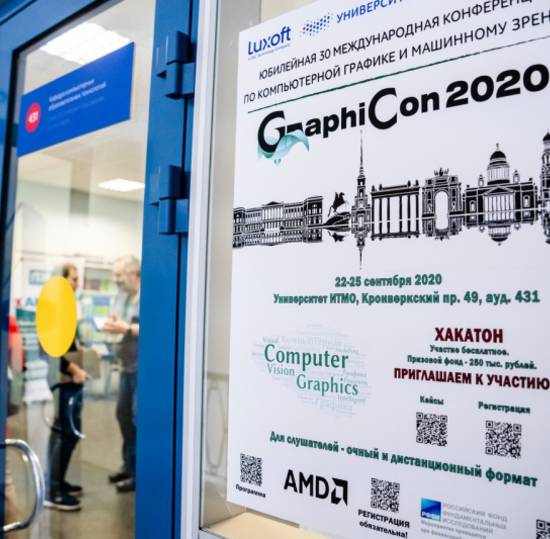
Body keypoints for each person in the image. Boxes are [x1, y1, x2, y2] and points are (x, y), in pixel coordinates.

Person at [45, 264, 91, 511]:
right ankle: (53, 491)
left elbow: (68, 344)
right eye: (74, 279)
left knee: (65, 434)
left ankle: (57, 482)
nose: (77, 283)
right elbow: (55, 350)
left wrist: (84, 352)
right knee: (66, 434)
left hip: (67, 380)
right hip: (63, 382)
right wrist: (75, 370)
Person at [103, 255, 140, 493]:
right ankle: (128, 465)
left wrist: (126, 328)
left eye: (118, 275)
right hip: (125, 367)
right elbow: (118, 322)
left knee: (137, 420)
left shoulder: (148, 296)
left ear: (133, 274)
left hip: (141, 369)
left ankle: (138, 473)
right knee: (123, 416)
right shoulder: (121, 296)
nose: (115, 279)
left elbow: (157, 328)